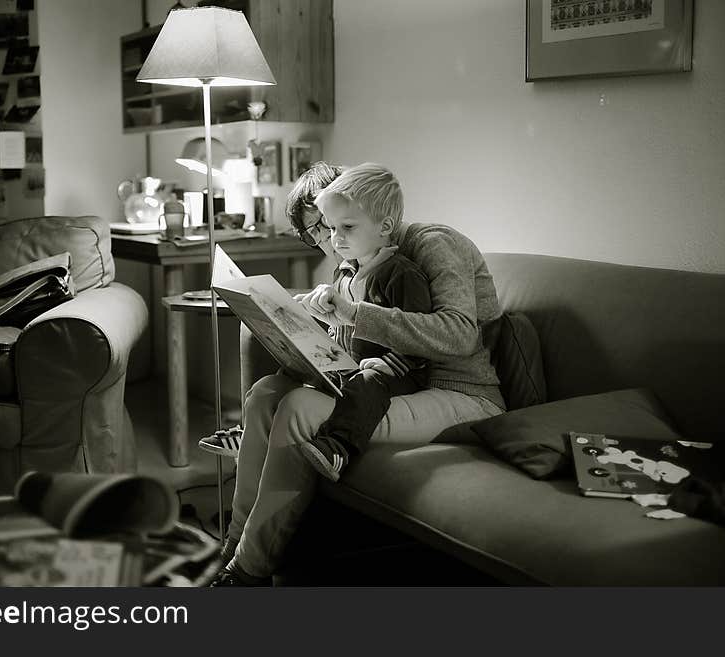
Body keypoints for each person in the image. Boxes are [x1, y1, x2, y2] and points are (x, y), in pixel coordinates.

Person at [210, 161, 506, 586]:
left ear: (372, 214)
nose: (328, 241)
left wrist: (354, 314)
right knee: (264, 393)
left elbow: (459, 335)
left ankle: (249, 570)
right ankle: (233, 544)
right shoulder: (354, 261)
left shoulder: (429, 246)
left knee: (299, 408)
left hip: (459, 391)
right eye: (323, 231)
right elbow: (360, 344)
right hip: (393, 385)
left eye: (331, 227)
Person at [297, 163, 432, 481]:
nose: (335, 238)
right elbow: (342, 330)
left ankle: (337, 448)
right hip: (350, 366)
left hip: (396, 373)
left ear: (384, 226)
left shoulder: (401, 274)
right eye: (331, 228)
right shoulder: (344, 272)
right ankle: (251, 428)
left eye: (348, 228)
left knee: (367, 383)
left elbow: (419, 337)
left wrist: (387, 364)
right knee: (298, 374)